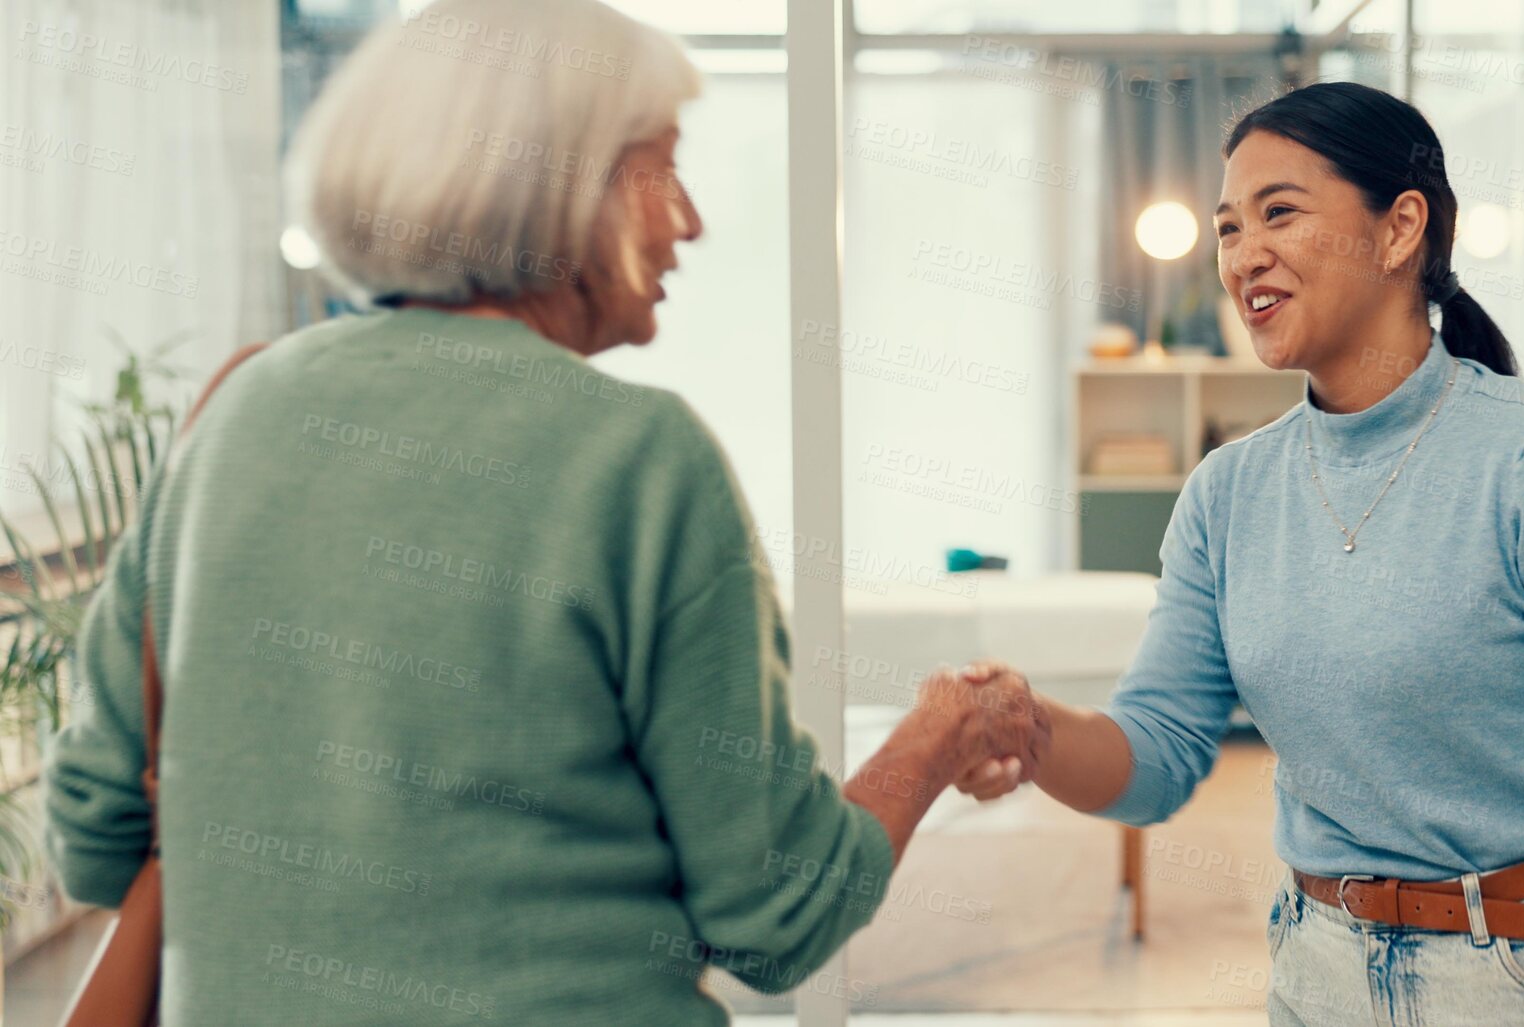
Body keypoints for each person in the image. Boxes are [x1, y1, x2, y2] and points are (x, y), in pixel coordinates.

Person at [42, 2, 1042, 1023]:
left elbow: (95, 832)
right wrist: (938, 730)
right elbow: (775, 910)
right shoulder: (640, 459)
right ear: (558, 182)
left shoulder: (230, 419)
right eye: (664, 170)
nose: (689, 220)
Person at [959, 82, 1524, 1027]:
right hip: (1319, 972)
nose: (1243, 256)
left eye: (1279, 213)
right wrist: (1030, 731)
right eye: (1229, 228)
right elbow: (1155, 755)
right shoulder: (1227, 494)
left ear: (1400, 230)